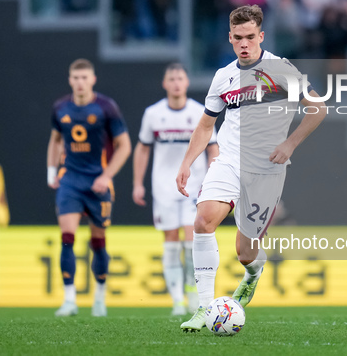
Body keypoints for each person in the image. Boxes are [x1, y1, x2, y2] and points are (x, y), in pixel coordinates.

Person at [176, 4, 327, 331]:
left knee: (245, 252)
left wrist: (289, 144)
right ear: (230, 38)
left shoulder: (282, 69)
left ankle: (253, 273)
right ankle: (204, 308)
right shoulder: (222, 77)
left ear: (261, 35)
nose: (244, 43)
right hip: (229, 160)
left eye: (250, 37)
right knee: (202, 221)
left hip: (266, 171)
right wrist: (187, 162)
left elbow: (318, 109)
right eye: (238, 38)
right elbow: (205, 126)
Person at [47, 59, 132, 317]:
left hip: (97, 182)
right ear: (70, 80)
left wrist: (106, 176)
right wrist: (52, 171)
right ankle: (70, 300)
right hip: (71, 181)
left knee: (98, 242)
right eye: (76, 78)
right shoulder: (60, 108)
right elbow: (55, 140)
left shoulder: (106, 108)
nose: (80, 82)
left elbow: (124, 145)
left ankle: (99, 297)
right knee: (67, 238)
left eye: (85, 77)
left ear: (93, 79)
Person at [132, 63, 218, 316]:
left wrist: (212, 178)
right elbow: (143, 148)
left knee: (192, 241)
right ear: (165, 84)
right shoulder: (153, 114)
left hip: (194, 187)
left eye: (180, 78)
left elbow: (213, 147)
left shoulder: (199, 112)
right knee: (170, 242)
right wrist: (138, 183)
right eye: (172, 78)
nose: (176, 83)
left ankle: (193, 294)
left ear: (187, 82)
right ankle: (177, 300)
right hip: (164, 187)